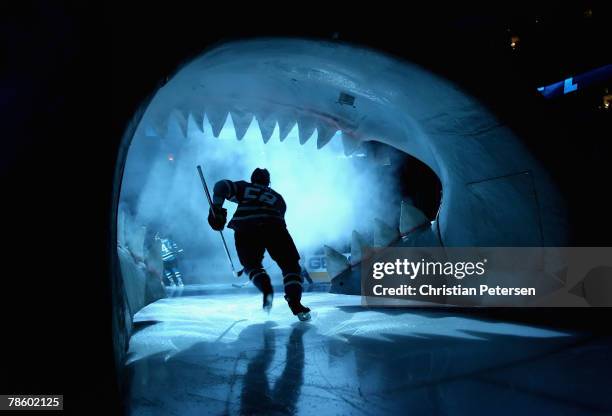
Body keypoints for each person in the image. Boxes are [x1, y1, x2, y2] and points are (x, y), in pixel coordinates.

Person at [207, 168, 311, 321]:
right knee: (290, 266)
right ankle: (295, 303)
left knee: (252, 265)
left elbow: (221, 186)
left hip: (246, 227)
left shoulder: (245, 187)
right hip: (275, 227)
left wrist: (216, 209)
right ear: (268, 182)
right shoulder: (278, 198)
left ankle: (266, 288)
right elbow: (280, 216)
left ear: (252, 179)